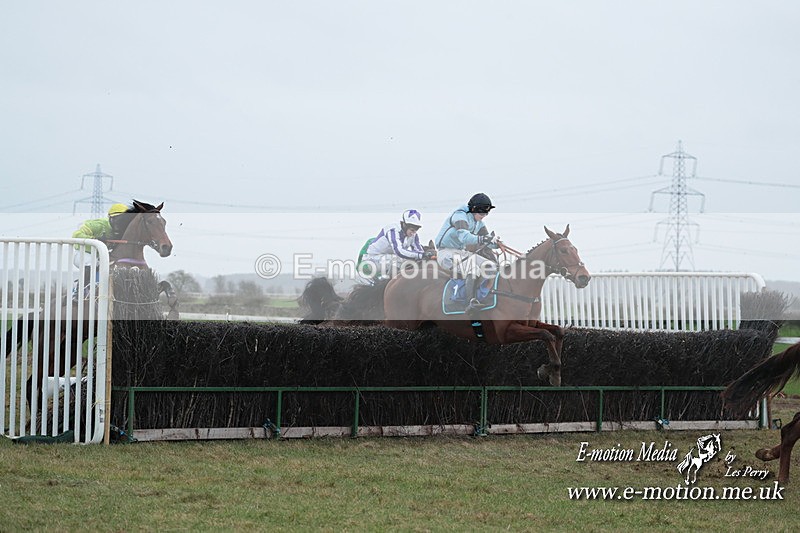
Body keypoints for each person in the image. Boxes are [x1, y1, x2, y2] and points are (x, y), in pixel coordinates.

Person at [434, 193, 499, 313]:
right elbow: (464, 237)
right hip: (446, 254)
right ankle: (470, 303)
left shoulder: (479, 223)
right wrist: (484, 239)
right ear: (473, 209)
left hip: (462, 253)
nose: (484, 216)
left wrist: (496, 243)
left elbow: (487, 240)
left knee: (491, 266)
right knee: (472, 269)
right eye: (482, 213)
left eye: (486, 213)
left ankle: (482, 296)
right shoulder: (459, 215)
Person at [360, 209, 434, 279]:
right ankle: (385, 284)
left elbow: (419, 251)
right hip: (371, 259)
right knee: (398, 260)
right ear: (405, 225)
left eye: (416, 229)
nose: (414, 232)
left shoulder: (413, 235)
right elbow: (399, 251)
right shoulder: (393, 230)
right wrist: (420, 255)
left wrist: (426, 255)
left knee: (413, 261)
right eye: (412, 229)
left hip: (386, 259)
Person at [72, 203, 131, 267]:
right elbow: (76, 235)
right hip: (83, 253)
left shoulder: (123, 230)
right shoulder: (98, 225)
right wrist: (95, 239)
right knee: (93, 266)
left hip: (101, 256)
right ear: (111, 218)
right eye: (120, 220)